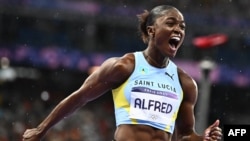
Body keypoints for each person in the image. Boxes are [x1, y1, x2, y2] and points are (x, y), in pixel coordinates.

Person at [22, 5, 223, 141]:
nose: (178, 30)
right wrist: (41, 129)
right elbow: (79, 97)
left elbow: (185, 134)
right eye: (171, 23)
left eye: (182, 26)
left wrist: (202, 137)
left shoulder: (185, 83)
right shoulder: (124, 66)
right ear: (151, 30)